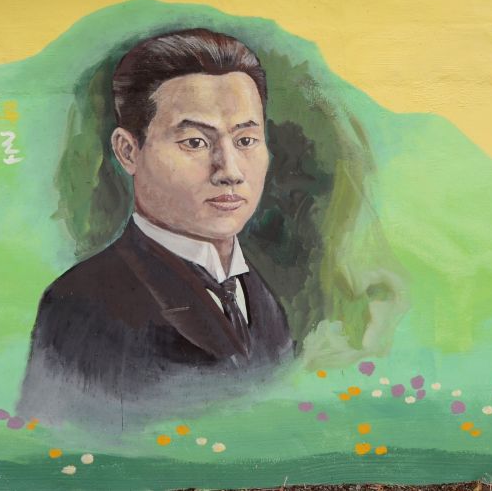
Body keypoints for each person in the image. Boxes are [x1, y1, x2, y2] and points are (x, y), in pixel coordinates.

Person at [17, 28, 292, 426]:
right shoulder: (85, 303)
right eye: (195, 142)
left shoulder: (261, 299)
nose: (230, 171)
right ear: (128, 151)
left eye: (246, 140)